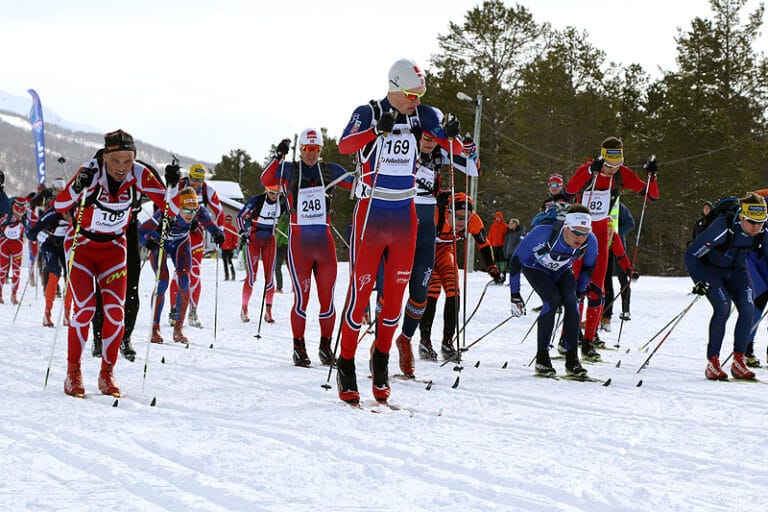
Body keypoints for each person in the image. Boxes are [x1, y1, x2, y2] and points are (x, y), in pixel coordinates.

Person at [335, 58, 464, 404]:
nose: (416, 100)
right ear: (393, 87)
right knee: (360, 294)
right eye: (410, 94)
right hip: (371, 213)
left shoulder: (423, 114)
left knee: (394, 299)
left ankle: (380, 359)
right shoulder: (370, 110)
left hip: (405, 215)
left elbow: (453, 147)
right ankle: (345, 361)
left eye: (420, 94)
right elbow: (345, 146)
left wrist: (450, 135)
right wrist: (376, 130)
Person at [54, 129, 172, 398]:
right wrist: (75, 188)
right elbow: (60, 206)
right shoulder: (91, 171)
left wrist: (174, 189)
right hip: (81, 247)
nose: (122, 168)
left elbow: (168, 204)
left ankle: (107, 373)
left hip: (114, 250)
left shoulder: (139, 173)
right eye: (116, 160)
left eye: (128, 160)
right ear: (105, 157)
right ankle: (73, 372)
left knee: (116, 313)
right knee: (84, 309)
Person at [261, 128, 353, 366]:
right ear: (300, 149)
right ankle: (299, 347)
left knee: (327, 299)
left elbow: (358, 182)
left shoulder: (331, 170)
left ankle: (325, 346)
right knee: (302, 298)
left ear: (320, 149)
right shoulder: (290, 170)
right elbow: (266, 180)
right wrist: (278, 156)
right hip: (299, 243)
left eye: (315, 149)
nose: (311, 154)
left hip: (324, 243)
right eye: (306, 149)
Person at [564, 136, 658, 362]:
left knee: (597, 290)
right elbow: (570, 189)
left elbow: (651, 195)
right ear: (602, 157)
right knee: (575, 289)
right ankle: (567, 337)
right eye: (608, 164)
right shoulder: (590, 169)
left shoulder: (622, 174)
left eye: (616, 164)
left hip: (601, 234)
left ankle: (588, 341)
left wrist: (652, 175)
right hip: (578, 233)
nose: (611, 169)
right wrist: (590, 171)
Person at [392, 129, 476, 378]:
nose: (428, 143)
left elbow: (472, 168)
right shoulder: (404, 149)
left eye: (433, 138)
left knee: (447, 289)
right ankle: (392, 345)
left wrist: (466, 145)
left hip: (437, 247)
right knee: (395, 290)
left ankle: (441, 341)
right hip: (402, 225)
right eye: (424, 138)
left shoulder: (441, 155)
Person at [685, 192, 768, 381]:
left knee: (748, 308)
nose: (756, 227)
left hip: (737, 269)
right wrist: (698, 281)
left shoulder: (763, 230)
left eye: (761, 222)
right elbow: (692, 254)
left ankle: (739, 361)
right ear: (741, 217)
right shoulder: (723, 227)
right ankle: (712, 363)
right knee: (723, 307)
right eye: (751, 222)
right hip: (710, 269)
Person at [508, 205, 597, 377]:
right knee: (552, 299)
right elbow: (515, 261)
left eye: (585, 232)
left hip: (561, 269)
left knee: (572, 302)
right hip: (534, 268)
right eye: (576, 232)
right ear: (566, 227)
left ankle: (572, 361)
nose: (580, 237)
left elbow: (588, 266)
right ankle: (542, 359)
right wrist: (515, 295)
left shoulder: (590, 240)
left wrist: (580, 290)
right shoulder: (542, 233)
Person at [419, 191, 504, 361]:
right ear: (449, 211)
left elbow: (484, 244)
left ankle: (447, 342)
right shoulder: (436, 214)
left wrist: (492, 268)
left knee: (454, 292)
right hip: (426, 252)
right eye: (458, 217)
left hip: (446, 252)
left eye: (466, 217)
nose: (461, 222)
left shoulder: (473, 220)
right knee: (432, 293)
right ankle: (425, 341)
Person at [141, 187, 224, 343]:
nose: (191, 215)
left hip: (181, 243)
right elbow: (141, 231)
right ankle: (154, 328)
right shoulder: (165, 213)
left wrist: (218, 233)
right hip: (160, 245)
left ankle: (178, 329)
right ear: (178, 207)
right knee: (163, 282)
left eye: (194, 211)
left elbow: (212, 226)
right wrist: (148, 243)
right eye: (186, 210)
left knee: (185, 282)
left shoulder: (198, 210)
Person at [169, 163, 224, 329]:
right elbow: (165, 205)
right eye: (194, 179)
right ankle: (174, 311)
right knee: (178, 273)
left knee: (195, 272)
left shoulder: (208, 191)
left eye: (200, 180)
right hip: (178, 233)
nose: (196, 183)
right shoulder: (178, 186)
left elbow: (219, 212)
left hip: (196, 234)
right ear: (189, 176)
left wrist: (219, 232)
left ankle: (192, 311)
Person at [237, 184, 289, 324]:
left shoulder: (282, 202)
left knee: (269, 278)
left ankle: (268, 311)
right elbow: (239, 217)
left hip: (269, 240)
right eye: (272, 193)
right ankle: (244, 308)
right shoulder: (257, 200)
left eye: (277, 193)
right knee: (252, 276)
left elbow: (293, 211)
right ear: (266, 191)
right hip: (253, 239)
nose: (274, 196)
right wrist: (243, 232)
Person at [601, 201, 636, 331]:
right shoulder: (600, 204)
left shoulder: (620, 206)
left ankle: (625, 309)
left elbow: (630, 223)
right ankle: (605, 312)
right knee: (605, 279)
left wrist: (616, 232)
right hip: (604, 247)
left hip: (618, 244)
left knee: (623, 279)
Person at [0, 197, 29, 304]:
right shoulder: (6, 216)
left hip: (18, 245)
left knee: (16, 272)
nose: (19, 212)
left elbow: (38, 222)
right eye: (18, 208)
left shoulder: (26, 217)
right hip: (4, 244)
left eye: (23, 208)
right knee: (2, 270)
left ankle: (14, 295)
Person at [221, 214, 239, 281]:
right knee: (224, 262)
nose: (228, 221)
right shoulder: (223, 228)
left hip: (230, 248)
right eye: (227, 219)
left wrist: (235, 246)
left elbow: (235, 238)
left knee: (230, 262)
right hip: (223, 248)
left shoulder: (233, 228)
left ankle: (233, 274)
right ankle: (226, 275)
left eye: (229, 220)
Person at [273, 215, 289, 293]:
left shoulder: (287, 218)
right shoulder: (282, 216)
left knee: (278, 266)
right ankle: (278, 287)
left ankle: (279, 288)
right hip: (279, 244)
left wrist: (279, 243)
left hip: (284, 245)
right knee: (276, 266)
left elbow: (285, 232)